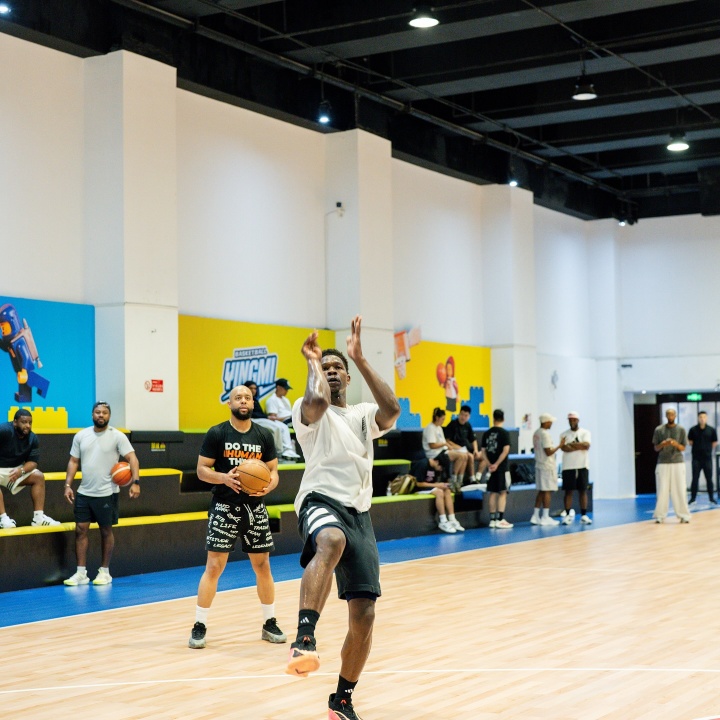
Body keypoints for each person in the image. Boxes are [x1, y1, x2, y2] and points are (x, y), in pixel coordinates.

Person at [285, 316, 400, 720]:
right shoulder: (307, 409)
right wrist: (312, 362)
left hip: (360, 513)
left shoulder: (363, 414)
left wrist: (361, 358)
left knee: (365, 615)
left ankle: (343, 699)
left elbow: (392, 410)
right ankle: (304, 638)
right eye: (326, 368)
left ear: (348, 378)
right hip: (320, 500)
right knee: (330, 540)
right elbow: (317, 402)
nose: (331, 371)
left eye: (338, 368)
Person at [188, 384, 286, 649]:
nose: (243, 401)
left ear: (253, 404)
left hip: (255, 508)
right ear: (229, 403)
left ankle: (269, 622)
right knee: (214, 567)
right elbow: (201, 470)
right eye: (238, 398)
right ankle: (199, 625)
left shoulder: (264, 435)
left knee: (263, 566)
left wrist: (270, 485)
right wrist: (224, 478)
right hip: (224, 506)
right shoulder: (217, 433)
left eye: (247, 398)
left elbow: (273, 471)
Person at [63, 402, 141, 585]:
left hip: (107, 493)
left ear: (109, 416)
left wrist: (136, 482)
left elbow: (132, 458)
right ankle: (81, 573)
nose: (101, 415)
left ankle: (104, 572)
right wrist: (67, 485)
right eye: (98, 412)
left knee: (106, 531)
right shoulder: (81, 435)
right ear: (92, 415)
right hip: (84, 492)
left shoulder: (117, 436)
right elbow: (73, 461)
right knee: (80, 530)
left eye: (105, 412)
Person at [0, 409, 60, 528]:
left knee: (38, 476)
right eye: (24, 422)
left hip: (15, 471)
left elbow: (33, 462)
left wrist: (21, 471)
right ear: (15, 422)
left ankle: (38, 518)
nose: (27, 425)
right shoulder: (4, 430)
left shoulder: (32, 438)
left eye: (30, 422)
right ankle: (3, 519)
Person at [245, 380, 300, 462]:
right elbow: (252, 414)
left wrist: (266, 417)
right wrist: (267, 417)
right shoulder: (245, 400)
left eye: (255, 388)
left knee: (282, 426)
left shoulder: (254, 400)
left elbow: (259, 413)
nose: (253, 390)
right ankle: (279, 452)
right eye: (251, 388)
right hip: (252, 420)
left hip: (261, 419)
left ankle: (287, 450)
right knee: (276, 427)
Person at [422, 406, 469, 502]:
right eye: (442, 419)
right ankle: (452, 480)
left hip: (442, 450)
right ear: (437, 418)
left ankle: (459, 481)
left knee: (465, 456)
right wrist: (444, 444)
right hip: (434, 453)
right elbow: (432, 445)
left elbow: (444, 442)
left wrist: (450, 447)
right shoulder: (430, 428)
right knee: (460, 456)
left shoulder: (439, 428)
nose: (443, 421)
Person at [652, 408, 691, 523]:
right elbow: (656, 448)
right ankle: (660, 515)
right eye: (668, 415)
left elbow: (683, 448)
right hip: (663, 462)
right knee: (662, 489)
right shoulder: (659, 430)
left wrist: (675, 444)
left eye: (672, 415)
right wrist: (663, 444)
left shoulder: (681, 429)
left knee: (679, 489)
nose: (670, 417)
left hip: (677, 462)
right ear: (666, 416)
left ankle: (683, 515)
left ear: (675, 416)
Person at [559, 411, 593, 525]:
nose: (572, 422)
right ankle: (567, 515)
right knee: (568, 491)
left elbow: (586, 445)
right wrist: (579, 445)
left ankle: (584, 515)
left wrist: (571, 445)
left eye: (574, 420)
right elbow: (564, 448)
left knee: (583, 490)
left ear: (578, 420)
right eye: (570, 420)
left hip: (582, 465)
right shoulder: (564, 434)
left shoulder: (585, 432)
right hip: (568, 467)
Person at [481, 409, 513, 529]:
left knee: (493, 492)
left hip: (490, 468)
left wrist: (490, 464)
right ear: (503, 419)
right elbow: (505, 450)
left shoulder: (486, 433)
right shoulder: (505, 433)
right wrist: (497, 464)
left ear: (493, 418)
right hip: (502, 468)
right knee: (503, 492)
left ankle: (492, 520)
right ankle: (500, 519)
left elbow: (483, 451)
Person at [530, 413, 562, 526]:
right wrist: (560, 445)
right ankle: (545, 516)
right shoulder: (545, 434)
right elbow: (548, 452)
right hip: (547, 466)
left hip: (539, 465)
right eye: (550, 422)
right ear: (546, 422)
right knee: (547, 491)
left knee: (541, 490)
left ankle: (535, 515)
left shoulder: (536, 433)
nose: (551, 424)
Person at [444, 404, 484, 488]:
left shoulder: (468, 425)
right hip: (458, 450)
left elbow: (473, 439)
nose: (463, 417)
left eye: (466, 416)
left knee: (485, 456)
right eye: (462, 415)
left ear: (469, 416)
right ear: (459, 414)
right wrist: (458, 447)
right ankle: (472, 479)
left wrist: (476, 450)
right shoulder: (453, 424)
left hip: (468, 449)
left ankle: (478, 477)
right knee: (469, 456)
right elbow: (447, 440)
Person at [687, 411, 717, 506]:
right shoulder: (693, 430)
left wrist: (707, 449)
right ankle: (693, 498)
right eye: (700, 417)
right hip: (696, 458)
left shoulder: (711, 430)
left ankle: (711, 498)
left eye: (704, 417)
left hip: (707, 458)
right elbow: (690, 441)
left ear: (706, 418)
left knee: (709, 479)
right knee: (695, 478)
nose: (702, 419)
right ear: (698, 418)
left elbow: (714, 442)